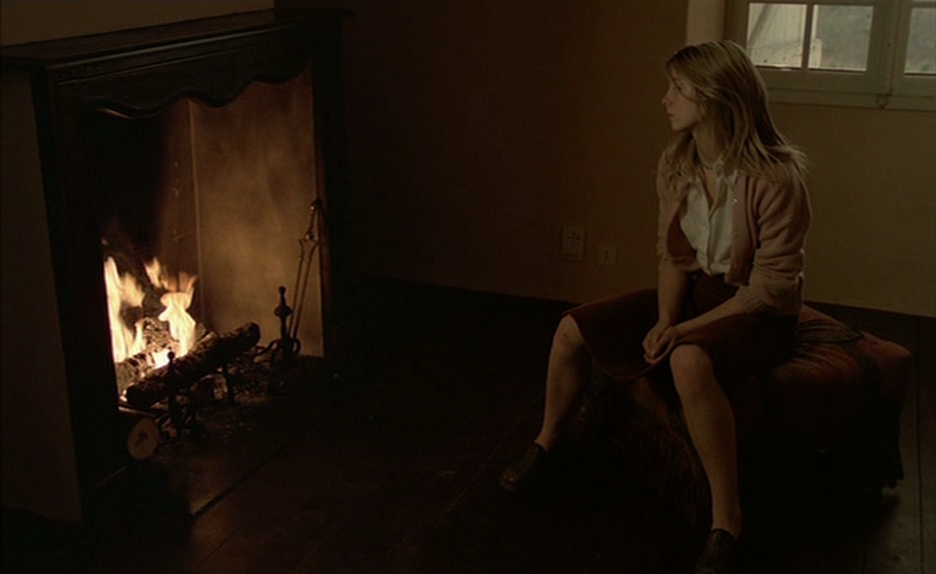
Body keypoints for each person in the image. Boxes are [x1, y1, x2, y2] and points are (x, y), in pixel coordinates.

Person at [499, 40, 811, 574]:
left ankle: (726, 519)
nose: (666, 99)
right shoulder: (677, 162)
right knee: (572, 327)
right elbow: (673, 257)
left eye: (678, 89)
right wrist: (667, 318)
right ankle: (547, 442)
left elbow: (772, 288)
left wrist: (684, 332)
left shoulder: (776, 177)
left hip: (754, 313)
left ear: (714, 97)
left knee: (687, 360)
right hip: (694, 297)